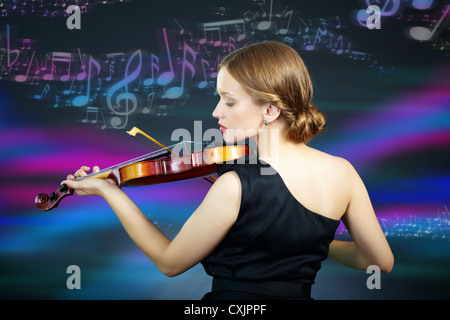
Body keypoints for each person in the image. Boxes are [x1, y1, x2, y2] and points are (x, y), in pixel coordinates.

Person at [62, 41, 394, 300]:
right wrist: (317, 243)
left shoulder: (235, 184)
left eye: (229, 101)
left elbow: (170, 262)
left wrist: (110, 191)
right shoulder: (343, 173)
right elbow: (379, 261)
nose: (216, 111)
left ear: (269, 109)